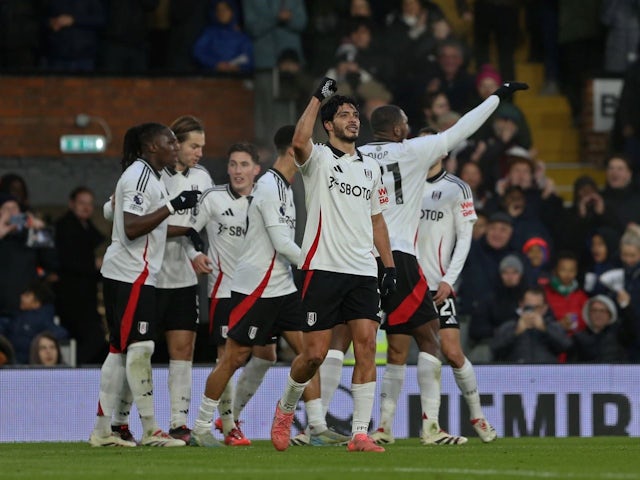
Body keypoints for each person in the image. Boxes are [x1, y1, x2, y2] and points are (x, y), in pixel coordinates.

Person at [358, 95, 509, 444]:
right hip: (404, 264)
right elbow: (464, 127)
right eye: (407, 125)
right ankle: (425, 428)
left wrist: (448, 279)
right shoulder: (411, 157)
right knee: (426, 340)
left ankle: (356, 425)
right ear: (399, 130)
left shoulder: (358, 156)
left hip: (375, 261)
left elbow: (465, 237)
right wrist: (496, 97)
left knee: (355, 341)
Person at [269, 79, 396, 453]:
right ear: (329, 124)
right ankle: (286, 409)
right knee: (314, 355)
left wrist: (387, 266)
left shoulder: (371, 168)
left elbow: (377, 221)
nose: (353, 120)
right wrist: (316, 98)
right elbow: (297, 141)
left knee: (367, 346)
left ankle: (359, 433)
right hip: (322, 268)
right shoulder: (319, 158)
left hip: (362, 270)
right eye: (344, 115)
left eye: (356, 115)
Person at [190, 125, 327, 448]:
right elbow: (281, 243)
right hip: (256, 288)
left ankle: (317, 426)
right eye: (309, 149)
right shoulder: (267, 188)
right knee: (235, 357)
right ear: (295, 151)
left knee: (311, 353)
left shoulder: (286, 187)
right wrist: (318, 262)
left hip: (282, 287)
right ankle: (200, 427)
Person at [88, 122, 200, 447]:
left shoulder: (150, 176)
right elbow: (133, 227)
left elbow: (139, 223)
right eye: (169, 141)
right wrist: (173, 206)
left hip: (132, 274)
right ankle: (151, 430)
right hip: (130, 275)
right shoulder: (140, 175)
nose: (175, 145)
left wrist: (185, 230)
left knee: (120, 352)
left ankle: (101, 431)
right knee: (141, 348)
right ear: (152, 146)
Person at [182, 141, 266, 446]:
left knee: (267, 356)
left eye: (244, 164)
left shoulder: (265, 198)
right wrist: (194, 254)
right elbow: (189, 232)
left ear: (256, 169)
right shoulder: (214, 198)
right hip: (225, 291)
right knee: (227, 358)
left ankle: (229, 415)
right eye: (233, 164)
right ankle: (230, 427)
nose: (238, 170)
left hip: (262, 292)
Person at [54, 186, 108, 365]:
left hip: (86, 296)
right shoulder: (65, 227)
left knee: (91, 339)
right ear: (72, 204)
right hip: (72, 297)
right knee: (95, 338)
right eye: (82, 203)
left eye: (90, 204)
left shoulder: (87, 227)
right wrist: (94, 264)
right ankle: (71, 370)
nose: (86, 207)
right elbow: (66, 260)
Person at [491, 286, 572, 363]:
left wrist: (544, 329)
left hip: (546, 374)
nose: (533, 312)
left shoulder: (553, 326)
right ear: (521, 305)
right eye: (528, 307)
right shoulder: (509, 326)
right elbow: (495, 349)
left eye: (537, 307)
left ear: (545, 308)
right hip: (516, 374)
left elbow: (567, 347)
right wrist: (516, 332)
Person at [0, 281, 68, 365]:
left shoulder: (41, 318)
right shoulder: (16, 316)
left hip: (29, 365)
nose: (21, 297)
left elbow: (61, 333)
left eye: (27, 295)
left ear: (37, 303)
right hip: (11, 363)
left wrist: (38, 341)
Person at [192, 0, 254, 74]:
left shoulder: (242, 36)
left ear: (233, 12)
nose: (221, 13)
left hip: (237, 79)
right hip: (212, 77)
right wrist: (216, 64)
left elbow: (249, 60)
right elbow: (198, 52)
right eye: (218, 10)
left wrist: (238, 68)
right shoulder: (209, 33)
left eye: (225, 9)